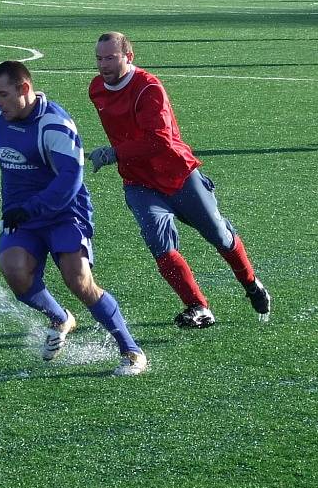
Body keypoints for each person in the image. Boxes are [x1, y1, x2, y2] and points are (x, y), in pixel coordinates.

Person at [88, 32, 271, 329]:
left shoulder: (148, 88)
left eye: (111, 57)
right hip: (139, 183)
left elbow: (159, 141)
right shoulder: (96, 88)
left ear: (128, 57)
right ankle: (198, 306)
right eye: (99, 58)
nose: (103, 64)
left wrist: (113, 153)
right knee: (158, 244)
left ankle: (251, 283)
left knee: (219, 235)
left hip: (178, 174)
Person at [0, 60, 147, 376]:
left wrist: (30, 208)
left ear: (24, 89)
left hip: (64, 213)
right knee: (14, 270)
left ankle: (131, 351)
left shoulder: (56, 125)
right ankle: (60, 318)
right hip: (22, 216)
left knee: (79, 280)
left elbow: (69, 181)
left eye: (3, 94)